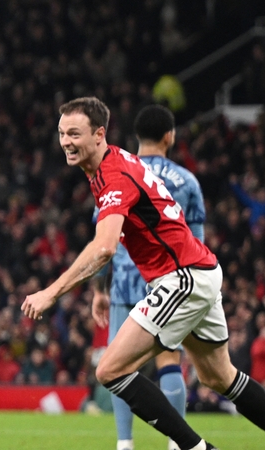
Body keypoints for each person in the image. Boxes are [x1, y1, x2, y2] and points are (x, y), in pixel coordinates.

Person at [20, 97, 265, 450]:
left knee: (109, 370)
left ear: (99, 134)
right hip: (200, 271)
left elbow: (104, 247)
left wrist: (51, 292)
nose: (66, 142)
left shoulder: (114, 174)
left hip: (182, 276)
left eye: (74, 133)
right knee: (218, 375)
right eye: (61, 133)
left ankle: (195, 449)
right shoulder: (114, 165)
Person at [90, 104, 205, 450]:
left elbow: (103, 238)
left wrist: (99, 290)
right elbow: (195, 242)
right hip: (169, 281)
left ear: (137, 137)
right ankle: (177, 443)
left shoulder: (117, 172)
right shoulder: (187, 181)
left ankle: (125, 443)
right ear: (170, 136)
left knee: (119, 367)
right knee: (169, 360)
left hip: (124, 282)